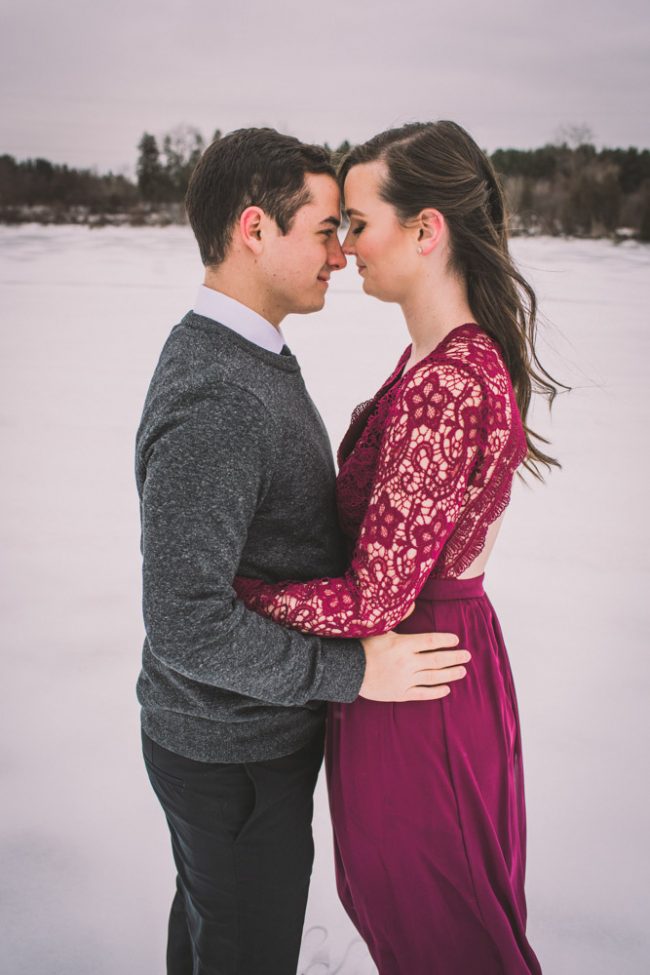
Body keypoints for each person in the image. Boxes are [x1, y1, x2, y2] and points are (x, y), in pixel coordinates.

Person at [134, 127, 472, 975]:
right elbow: (185, 621)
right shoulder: (221, 398)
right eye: (326, 229)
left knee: (221, 935)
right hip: (232, 753)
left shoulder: (246, 357)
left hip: (236, 743)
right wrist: (354, 672)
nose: (342, 252)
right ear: (255, 229)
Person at [235, 121, 561, 974]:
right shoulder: (434, 356)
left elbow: (377, 599)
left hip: (415, 681)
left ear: (427, 229)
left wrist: (242, 592)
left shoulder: (449, 382)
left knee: (441, 932)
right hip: (421, 666)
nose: (344, 248)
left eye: (358, 222)